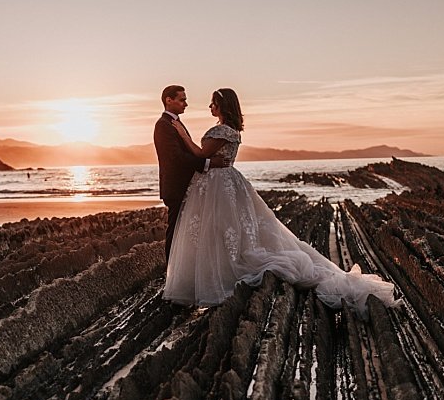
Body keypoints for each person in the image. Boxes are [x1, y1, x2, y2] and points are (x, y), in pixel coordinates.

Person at [162, 88, 397, 317]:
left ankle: (221, 275)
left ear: (222, 105)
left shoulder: (223, 130)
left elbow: (201, 154)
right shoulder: (230, 129)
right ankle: (216, 271)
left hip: (219, 183)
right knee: (228, 229)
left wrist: (183, 137)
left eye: (213, 103)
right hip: (222, 182)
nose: (210, 106)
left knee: (225, 229)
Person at [154, 85, 227, 265]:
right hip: (176, 187)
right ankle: (171, 271)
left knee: (185, 231)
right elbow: (176, 157)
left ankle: (183, 267)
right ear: (168, 100)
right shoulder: (163, 125)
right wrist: (209, 164)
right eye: (182, 99)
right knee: (175, 230)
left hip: (186, 186)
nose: (186, 103)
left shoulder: (176, 123)